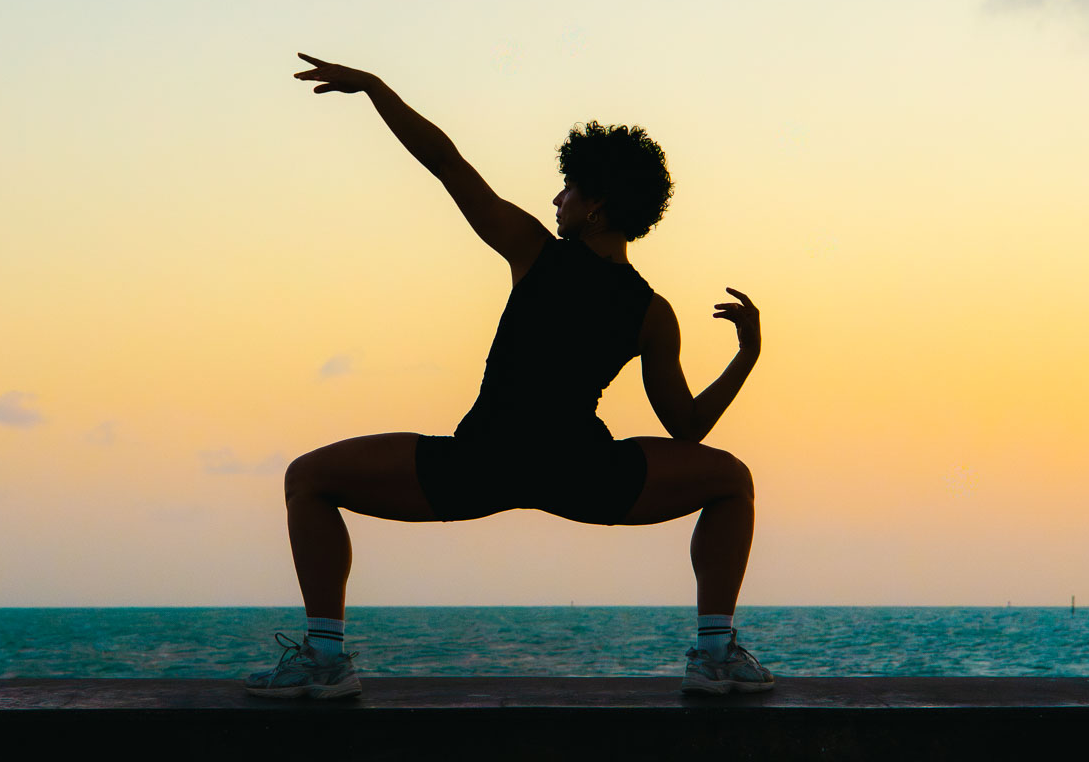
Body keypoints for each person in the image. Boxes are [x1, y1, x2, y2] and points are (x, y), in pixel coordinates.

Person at [246, 54, 771, 699]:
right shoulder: (652, 314)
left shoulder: (533, 249)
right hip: (583, 474)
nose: (556, 198)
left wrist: (376, 89)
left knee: (307, 479)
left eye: (569, 189)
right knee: (732, 482)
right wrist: (745, 355)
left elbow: (448, 164)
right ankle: (715, 656)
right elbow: (687, 429)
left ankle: (326, 660)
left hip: (481, 463)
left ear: (596, 208)